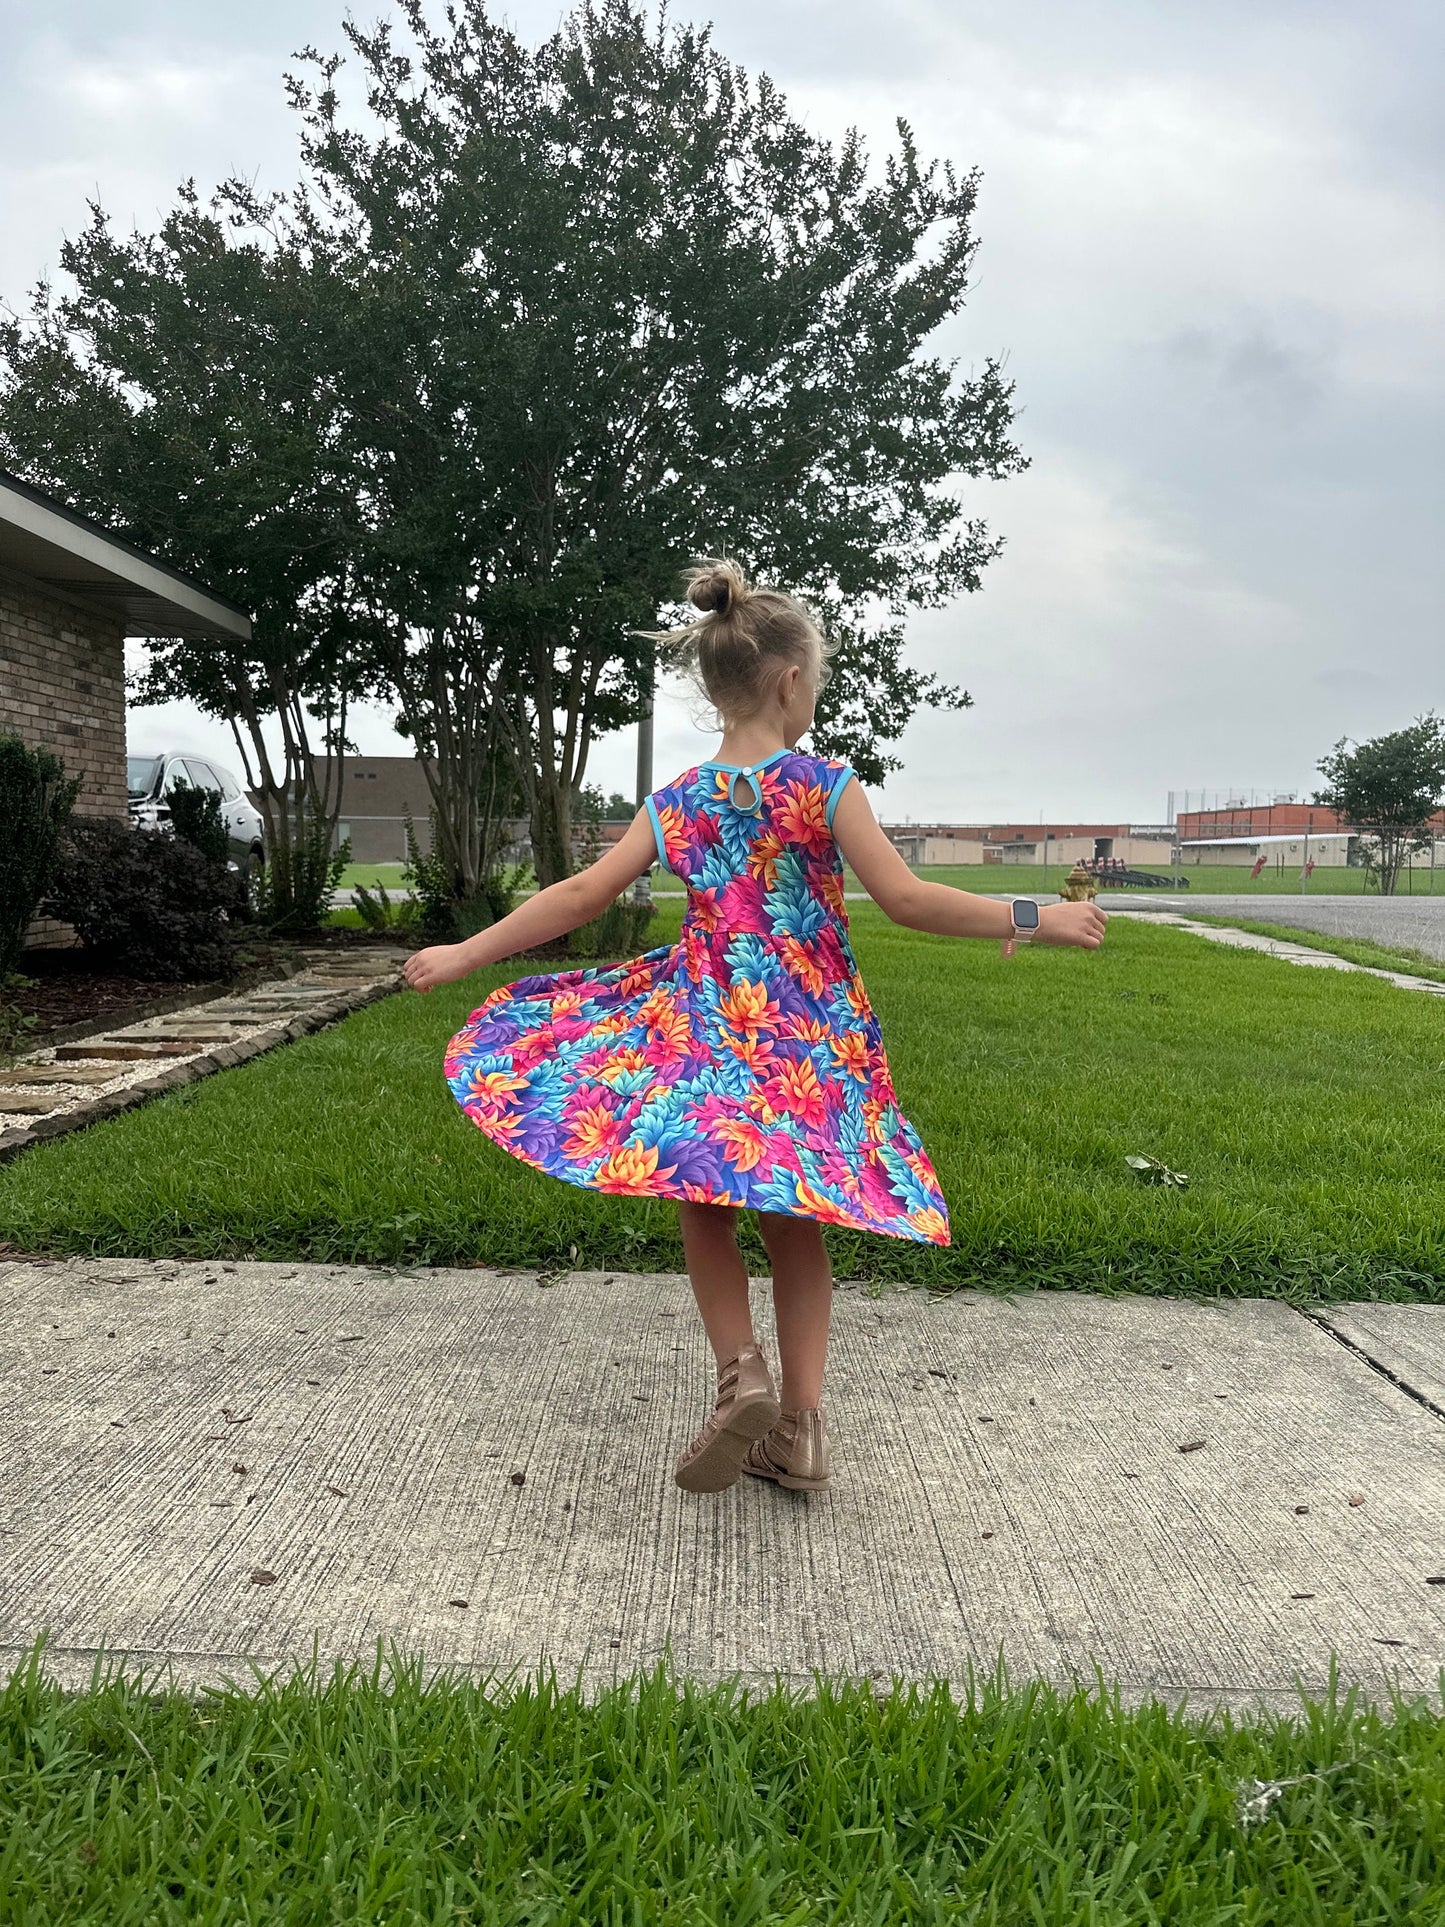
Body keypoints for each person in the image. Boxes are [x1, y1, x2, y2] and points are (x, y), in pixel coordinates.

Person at [404, 559, 1108, 1497]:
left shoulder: (678, 799)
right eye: (814, 680)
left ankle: (743, 1372)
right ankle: (801, 1432)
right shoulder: (823, 784)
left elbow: (580, 894)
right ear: (789, 681)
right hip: (807, 1037)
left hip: (704, 1023)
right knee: (795, 1219)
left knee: (704, 1202)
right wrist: (1034, 916)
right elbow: (904, 899)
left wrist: (464, 952)